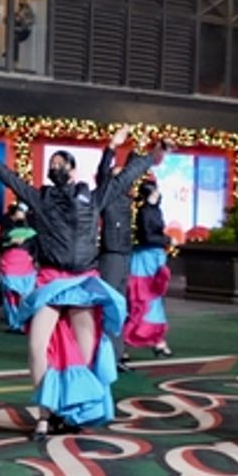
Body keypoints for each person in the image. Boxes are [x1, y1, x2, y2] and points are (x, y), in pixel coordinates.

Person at [0, 127, 155, 439]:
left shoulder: (92, 196)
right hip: (51, 281)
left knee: (86, 352)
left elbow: (121, 179)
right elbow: (6, 175)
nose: (57, 168)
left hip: (83, 284)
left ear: (74, 170)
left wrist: (149, 158)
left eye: (62, 164)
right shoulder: (39, 197)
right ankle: (44, 418)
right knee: (38, 348)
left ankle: (77, 411)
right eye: (53, 165)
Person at [96, 137, 156, 370]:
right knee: (110, 306)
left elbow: (131, 170)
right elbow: (104, 171)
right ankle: (105, 355)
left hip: (124, 254)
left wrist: (136, 148)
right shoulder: (108, 196)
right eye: (119, 175)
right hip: (110, 255)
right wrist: (111, 148)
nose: (126, 180)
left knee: (121, 307)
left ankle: (118, 354)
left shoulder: (124, 199)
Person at [121, 178, 174, 362]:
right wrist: (166, 241)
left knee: (154, 300)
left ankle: (158, 341)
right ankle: (125, 344)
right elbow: (146, 237)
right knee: (140, 302)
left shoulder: (155, 210)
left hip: (154, 259)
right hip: (144, 262)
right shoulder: (144, 212)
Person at [0, 201, 37, 331]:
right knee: (10, 294)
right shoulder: (6, 228)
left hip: (24, 264)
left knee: (24, 294)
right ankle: (14, 322)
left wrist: (33, 257)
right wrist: (11, 243)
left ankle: (23, 322)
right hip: (11, 263)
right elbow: (1, 244)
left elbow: (36, 246)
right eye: (19, 212)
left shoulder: (31, 229)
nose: (21, 214)